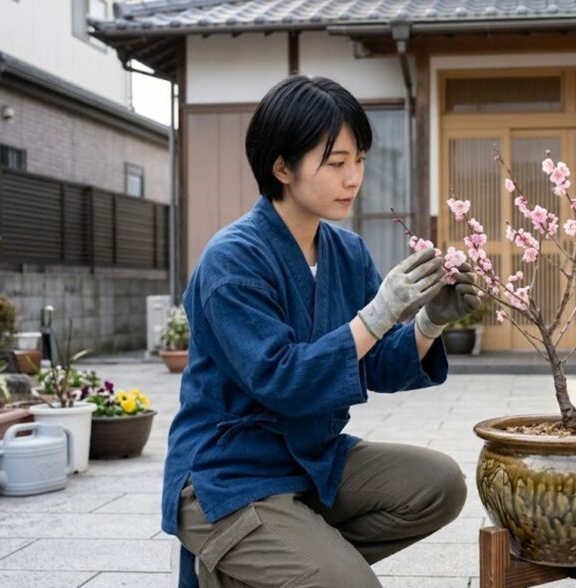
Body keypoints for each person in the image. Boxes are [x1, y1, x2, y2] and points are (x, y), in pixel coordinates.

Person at [162, 75, 481, 587]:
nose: (353, 177)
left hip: (310, 458)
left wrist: (429, 321)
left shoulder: (346, 251)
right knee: (348, 584)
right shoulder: (232, 260)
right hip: (229, 474)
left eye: (359, 160)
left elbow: (374, 361)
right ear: (282, 167)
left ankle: (281, 564)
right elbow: (281, 378)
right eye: (336, 163)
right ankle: (259, 557)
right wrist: (376, 315)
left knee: (439, 484)